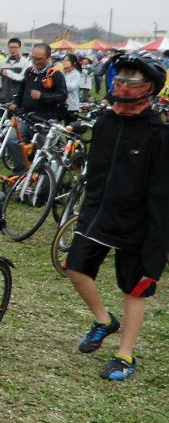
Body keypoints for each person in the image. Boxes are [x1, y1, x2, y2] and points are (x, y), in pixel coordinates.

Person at [66, 51, 168, 382]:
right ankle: (103, 320)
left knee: (135, 289)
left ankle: (124, 354)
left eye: (132, 81)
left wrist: (157, 245)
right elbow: (96, 171)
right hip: (98, 214)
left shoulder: (158, 134)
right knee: (76, 268)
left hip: (137, 225)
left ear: (149, 87)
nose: (122, 86)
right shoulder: (106, 122)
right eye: (119, 79)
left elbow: (161, 194)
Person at [8, 43, 67, 173]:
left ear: (48, 57)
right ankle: (22, 171)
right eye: (33, 58)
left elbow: (62, 95)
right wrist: (16, 103)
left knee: (44, 153)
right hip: (26, 117)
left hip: (46, 120)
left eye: (40, 59)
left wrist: (42, 96)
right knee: (12, 139)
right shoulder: (30, 71)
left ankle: (45, 182)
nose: (36, 61)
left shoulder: (55, 74)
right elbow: (22, 89)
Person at [0, 38, 28, 104]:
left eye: (15, 47)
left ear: (19, 48)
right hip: (3, 96)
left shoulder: (25, 62)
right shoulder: (2, 62)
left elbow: (22, 78)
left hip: (16, 98)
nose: (12, 49)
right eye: (10, 47)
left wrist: (8, 73)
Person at [61, 53, 83, 119]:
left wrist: (60, 84)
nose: (64, 62)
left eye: (67, 60)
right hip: (61, 103)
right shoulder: (62, 72)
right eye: (63, 60)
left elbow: (71, 87)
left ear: (74, 63)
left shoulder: (76, 74)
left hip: (71, 105)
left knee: (70, 125)